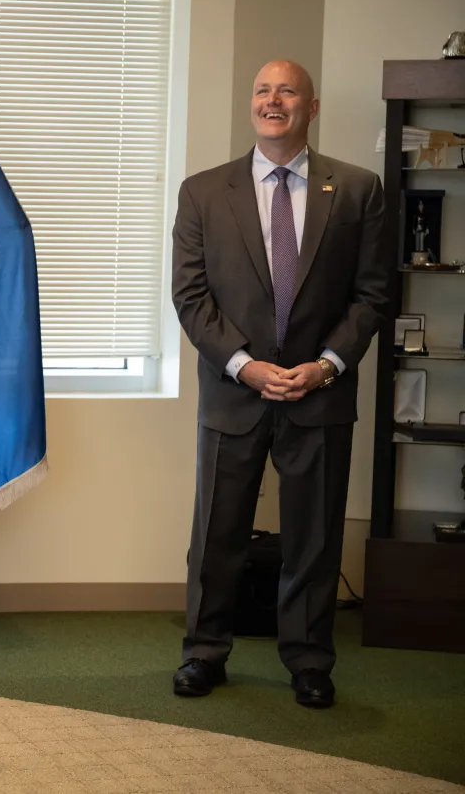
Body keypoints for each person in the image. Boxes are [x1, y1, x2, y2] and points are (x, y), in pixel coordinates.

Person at [170, 60, 392, 708]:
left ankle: (309, 660)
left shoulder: (357, 190)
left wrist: (327, 364)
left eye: (287, 90)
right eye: (263, 90)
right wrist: (243, 363)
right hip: (234, 393)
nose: (273, 100)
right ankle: (203, 653)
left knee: (315, 538)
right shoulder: (204, 192)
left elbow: (372, 295)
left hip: (320, 393)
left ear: (310, 107)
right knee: (216, 535)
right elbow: (190, 297)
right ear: (252, 106)